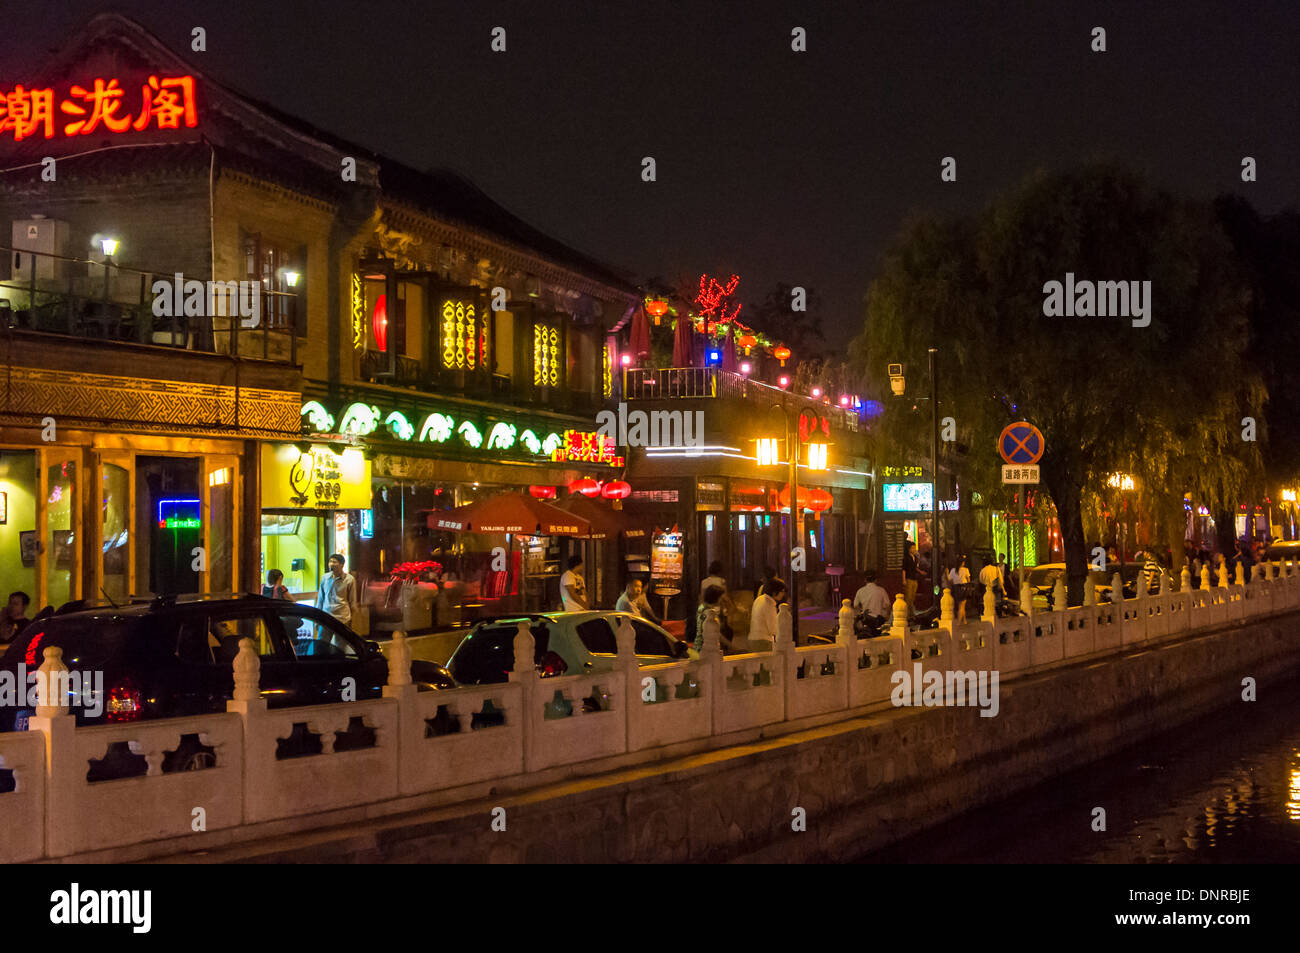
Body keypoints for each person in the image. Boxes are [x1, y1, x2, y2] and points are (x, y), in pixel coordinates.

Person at [314, 554, 356, 651]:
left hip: (342, 618)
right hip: (326, 616)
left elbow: (352, 601)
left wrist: (352, 620)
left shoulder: (349, 580)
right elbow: (320, 599)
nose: (331, 564)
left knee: (340, 647)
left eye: (334, 562)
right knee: (321, 645)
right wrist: (317, 618)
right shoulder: (325, 578)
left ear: (341, 565)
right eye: (330, 561)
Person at [694, 584, 734, 654]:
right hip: (709, 650)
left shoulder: (702, 607)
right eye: (721, 597)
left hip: (701, 648)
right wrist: (731, 645)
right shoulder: (710, 613)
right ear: (716, 598)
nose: (722, 600)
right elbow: (716, 634)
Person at [749, 578, 786, 649]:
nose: (783, 594)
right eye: (782, 591)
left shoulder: (759, 599)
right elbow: (773, 629)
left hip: (752, 639)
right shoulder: (769, 604)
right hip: (763, 642)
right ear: (774, 592)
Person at [902, 540, 923, 610]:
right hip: (909, 578)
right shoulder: (906, 558)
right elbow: (904, 569)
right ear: (909, 549)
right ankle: (907, 614)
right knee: (908, 597)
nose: (914, 549)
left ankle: (911, 613)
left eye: (915, 548)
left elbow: (915, 568)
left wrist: (920, 572)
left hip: (914, 578)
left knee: (913, 597)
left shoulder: (915, 558)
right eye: (913, 548)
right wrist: (904, 580)